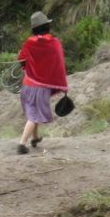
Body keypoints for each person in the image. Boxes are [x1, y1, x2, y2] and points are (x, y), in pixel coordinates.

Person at [15, 11, 68, 154]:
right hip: (41, 87)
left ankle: (35, 138)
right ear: (47, 26)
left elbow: (21, 60)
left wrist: (27, 67)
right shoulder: (54, 43)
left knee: (33, 111)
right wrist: (61, 83)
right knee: (34, 115)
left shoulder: (29, 43)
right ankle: (22, 144)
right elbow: (59, 64)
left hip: (27, 84)